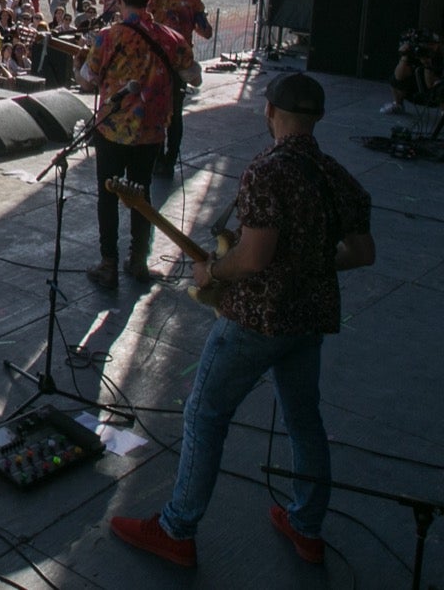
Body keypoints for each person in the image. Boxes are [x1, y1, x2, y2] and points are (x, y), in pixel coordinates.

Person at [110, 72, 375, 568]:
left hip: (258, 317)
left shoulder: (267, 171)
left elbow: (252, 258)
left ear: (270, 112)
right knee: (304, 419)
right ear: (316, 119)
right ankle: (306, 526)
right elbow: (362, 252)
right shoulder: (337, 175)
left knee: (205, 415)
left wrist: (214, 269)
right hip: (311, 316)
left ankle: (176, 529)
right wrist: (313, 263)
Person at [76, 0, 200, 289]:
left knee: (109, 196)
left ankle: (109, 263)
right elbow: (194, 76)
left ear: (119, 0)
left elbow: (87, 78)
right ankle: (139, 260)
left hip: (113, 128)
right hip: (151, 131)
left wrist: (89, 68)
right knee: (141, 194)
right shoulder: (170, 37)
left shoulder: (108, 37)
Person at [145, 0, 214, 176]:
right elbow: (206, 32)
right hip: (179, 64)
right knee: (175, 115)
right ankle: (170, 161)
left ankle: (154, 160)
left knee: (153, 112)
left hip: (152, 64)